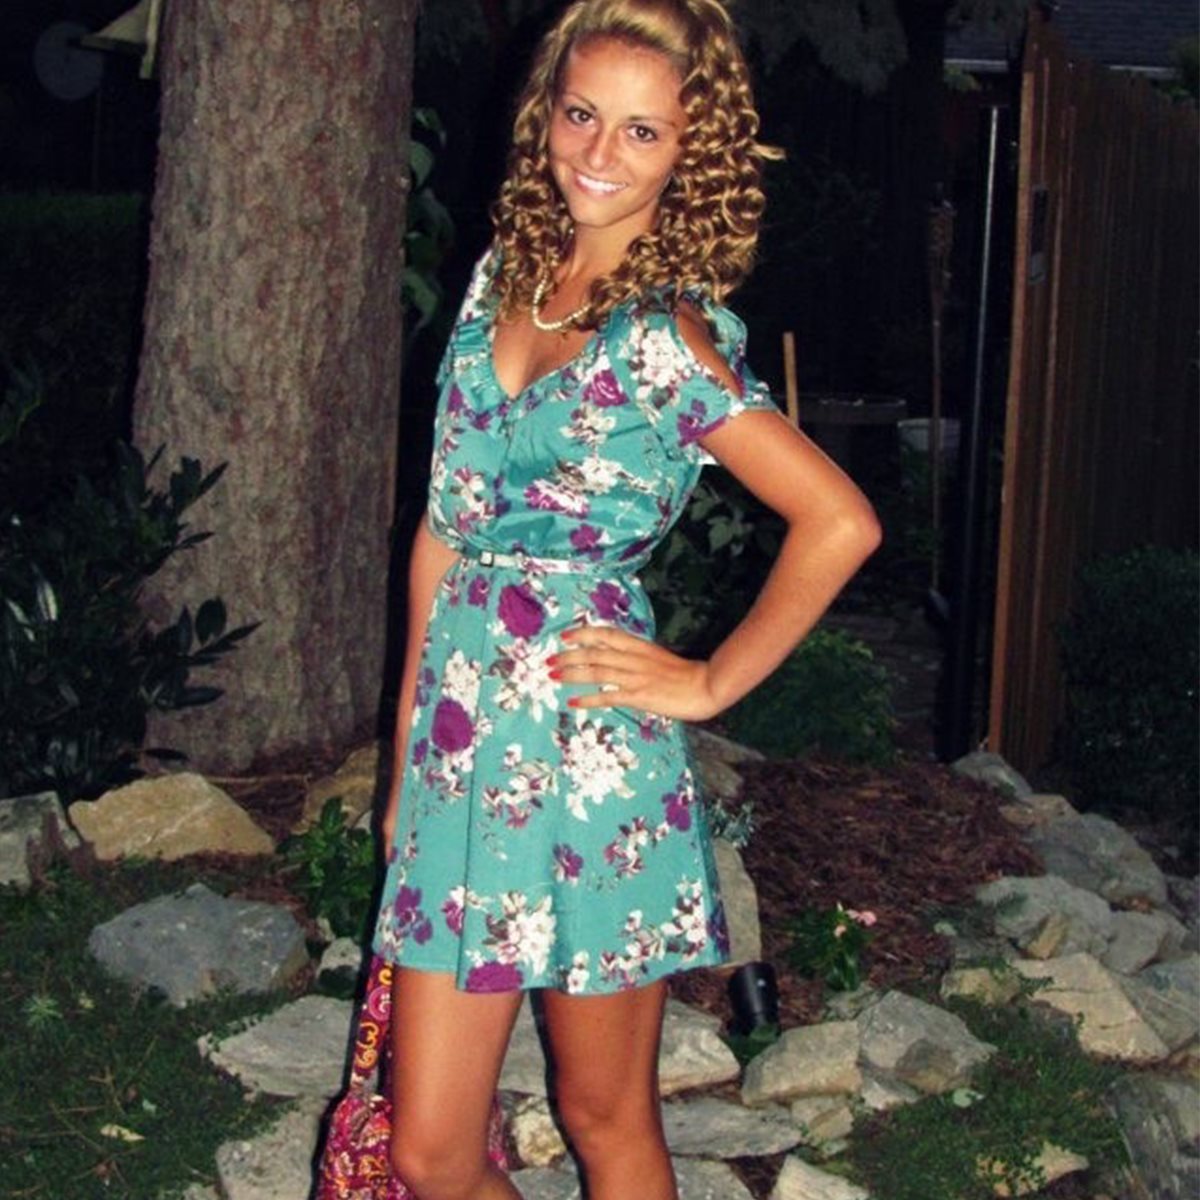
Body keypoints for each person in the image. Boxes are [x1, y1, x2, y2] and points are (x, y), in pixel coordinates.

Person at [373, 2, 881, 1197]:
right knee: (429, 1154)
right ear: (546, 114)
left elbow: (841, 520)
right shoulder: (502, 278)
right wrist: (404, 763)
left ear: (688, 156)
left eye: (642, 132)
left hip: (592, 762)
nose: (599, 153)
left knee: (603, 1116)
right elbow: (442, 530)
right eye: (581, 114)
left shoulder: (663, 340)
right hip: (458, 758)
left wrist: (707, 682)